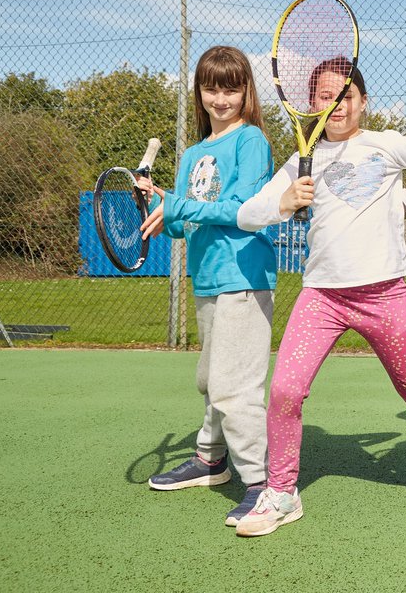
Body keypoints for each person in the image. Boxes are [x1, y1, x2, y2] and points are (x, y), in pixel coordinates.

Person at [232, 59, 406, 537]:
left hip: (384, 293)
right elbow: (248, 215)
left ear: (363, 102)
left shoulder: (385, 144)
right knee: (285, 391)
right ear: (310, 103)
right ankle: (282, 493)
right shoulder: (299, 162)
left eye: (346, 96)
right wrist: (283, 202)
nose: (335, 106)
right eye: (325, 97)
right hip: (322, 299)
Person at [141, 45, 277, 528]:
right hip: (208, 280)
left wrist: (180, 206)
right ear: (199, 92)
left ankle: (263, 485)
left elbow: (242, 210)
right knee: (209, 378)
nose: (220, 98)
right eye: (211, 88)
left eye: (231, 88)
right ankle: (210, 458)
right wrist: (162, 209)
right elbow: (184, 227)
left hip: (244, 276)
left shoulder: (251, 142)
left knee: (234, 385)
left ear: (246, 92)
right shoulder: (195, 154)